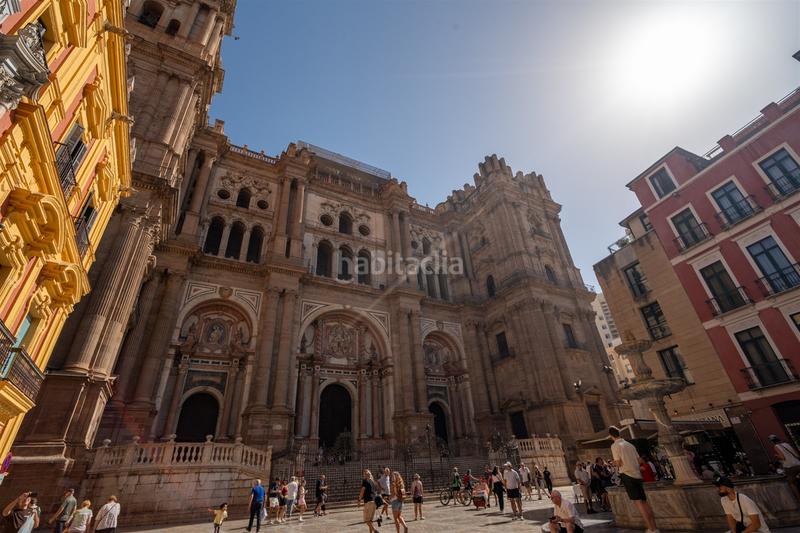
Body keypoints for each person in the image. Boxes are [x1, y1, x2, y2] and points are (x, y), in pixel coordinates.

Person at [609, 426, 659, 533]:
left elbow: (618, 463)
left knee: (639, 504)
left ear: (611, 436)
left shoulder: (615, 446)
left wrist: (613, 463)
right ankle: (654, 528)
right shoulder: (630, 444)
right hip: (637, 475)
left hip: (627, 475)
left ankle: (651, 529)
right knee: (644, 502)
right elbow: (640, 460)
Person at [768, 434, 800, 502]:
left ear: (771, 441)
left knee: (791, 483)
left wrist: (776, 455)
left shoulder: (776, 446)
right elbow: (797, 455)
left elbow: (783, 457)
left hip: (789, 466)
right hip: (798, 464)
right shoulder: (787, 444)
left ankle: (798, 499)